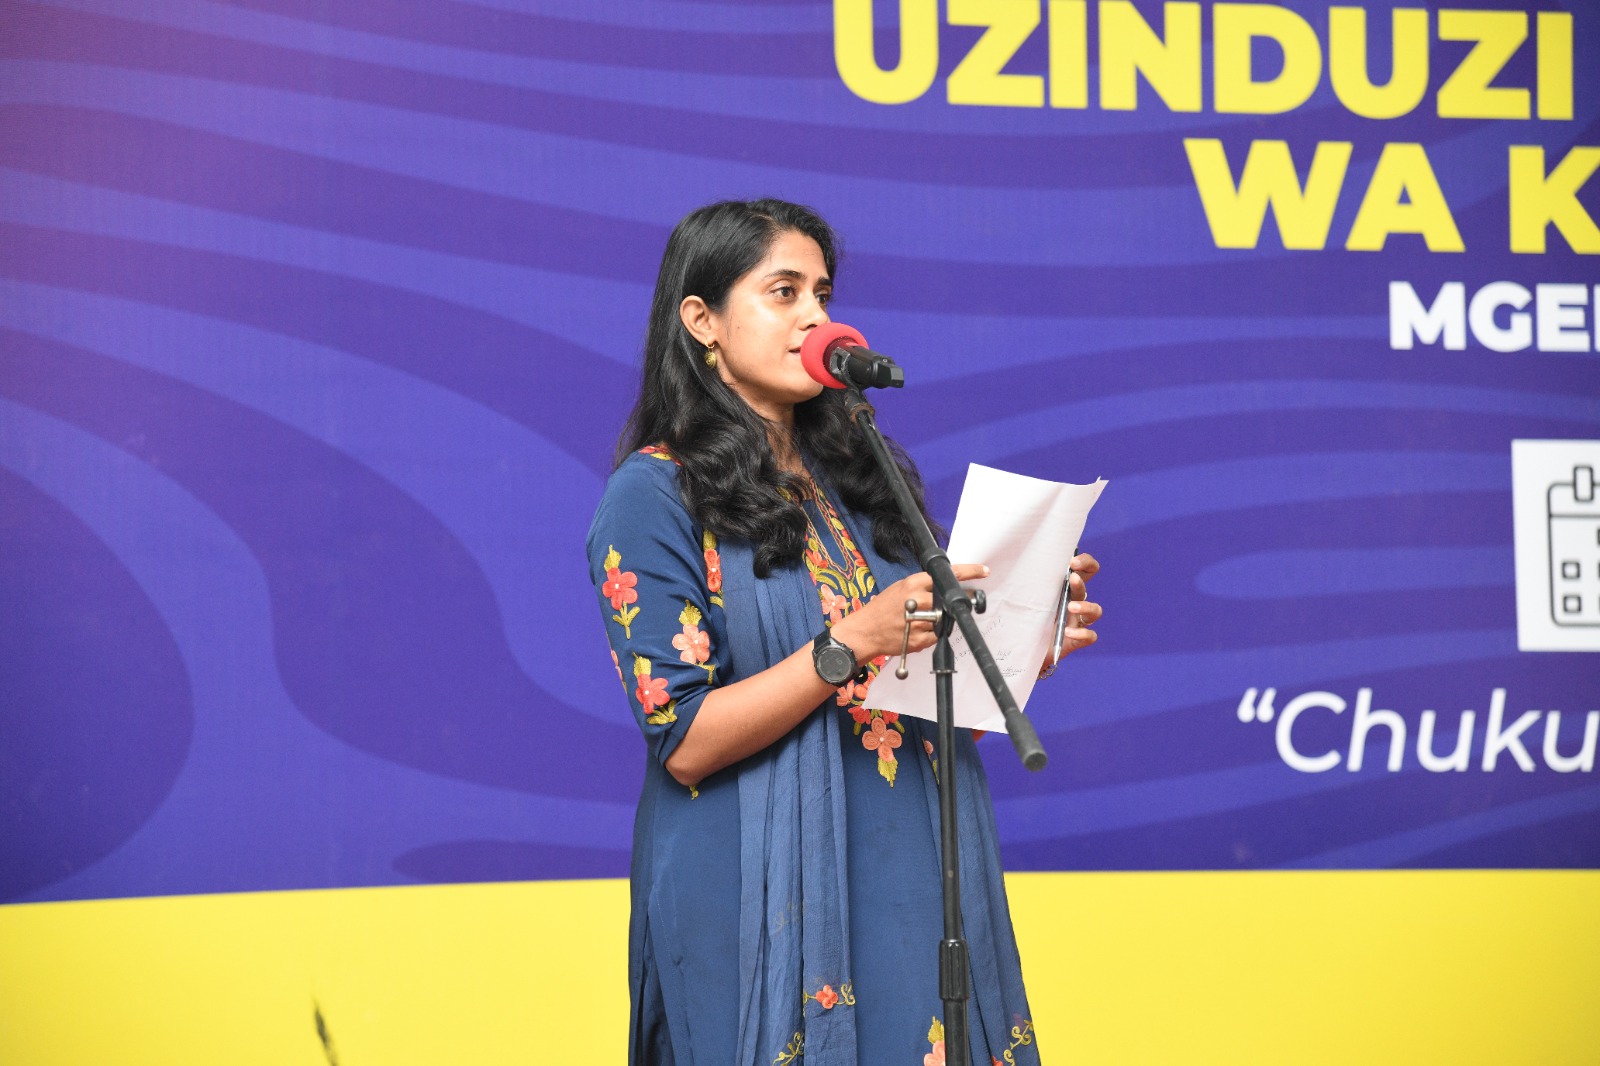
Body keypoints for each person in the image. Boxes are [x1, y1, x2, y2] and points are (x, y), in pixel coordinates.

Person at [586, 199, 1102, 1065]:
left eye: (822, 294)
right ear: (703, 321)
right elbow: (684, 742)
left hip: (904, 874)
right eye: (783, 291)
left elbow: (909, 708)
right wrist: (849, 644)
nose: (815, 317)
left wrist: (1013, 649)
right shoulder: (653, 496)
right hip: (752, 886)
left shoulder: (862, 481)